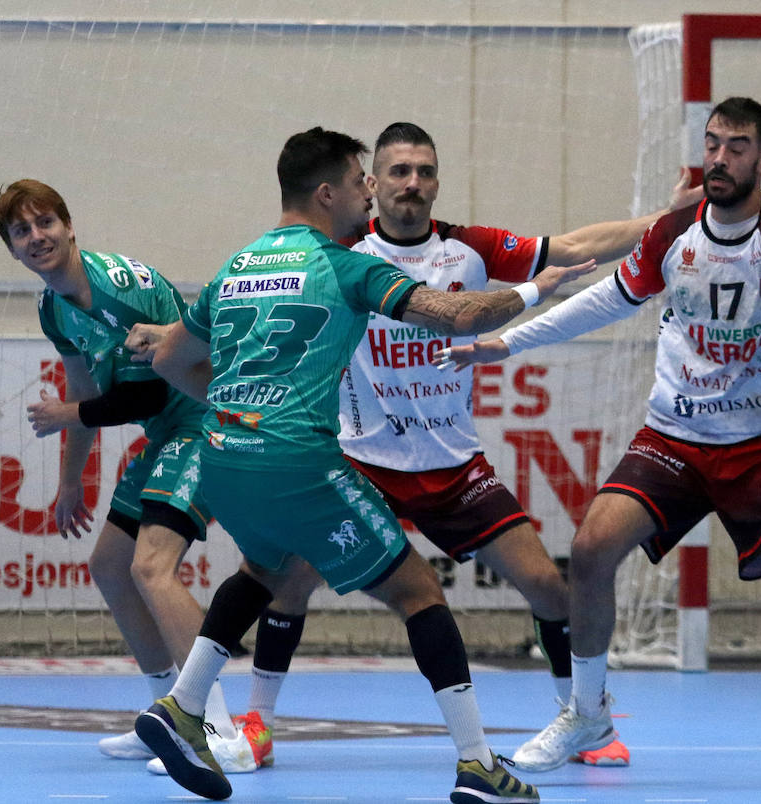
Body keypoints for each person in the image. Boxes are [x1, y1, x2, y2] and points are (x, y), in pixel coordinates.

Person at [202, 120, 701, 774]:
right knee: (288, 578)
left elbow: (574, 245)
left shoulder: (469, 250)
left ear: (437, 183)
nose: (413, 183)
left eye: (425, 172)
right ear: (372, 184)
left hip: (453, 465)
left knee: (549, 587)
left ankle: (581, 718)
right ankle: (257, 725)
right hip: (364, 462)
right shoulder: (341, 257)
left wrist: (666, 219)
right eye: (399, 172)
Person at [126, 126, 595, 803]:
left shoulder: (235, 267)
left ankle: (180, 707)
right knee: (420, 595)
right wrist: (534, 291)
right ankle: (477, 767)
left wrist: (237, 408)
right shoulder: (345, 264)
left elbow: (171, 360)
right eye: (359, 181)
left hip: (223, 455)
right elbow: (455, 314)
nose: (368, 193)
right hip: (298, 460)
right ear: (326, 194)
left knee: (264, 570)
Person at [436, 97, 761, 787]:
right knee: (589, 549)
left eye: (738, 146)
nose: (720, 157)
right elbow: (608, 298)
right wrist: (505, 345)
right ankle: (587, 713)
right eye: (713, 143)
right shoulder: (675, 232)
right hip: (676, 435)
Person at [0, 180, 252, 766]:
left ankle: (215, 728)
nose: (37, 237)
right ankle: (165, 713)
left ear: (70, 226)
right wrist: (69, 482)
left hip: (207, 421)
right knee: (110, 566)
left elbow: (140, 398)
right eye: (22, 231)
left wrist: (68, 414)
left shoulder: (121, 291)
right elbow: (82, 391)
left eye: (46, 223)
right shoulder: (53, 309)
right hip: (169, 433)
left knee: (152, 567)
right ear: (11, 249)